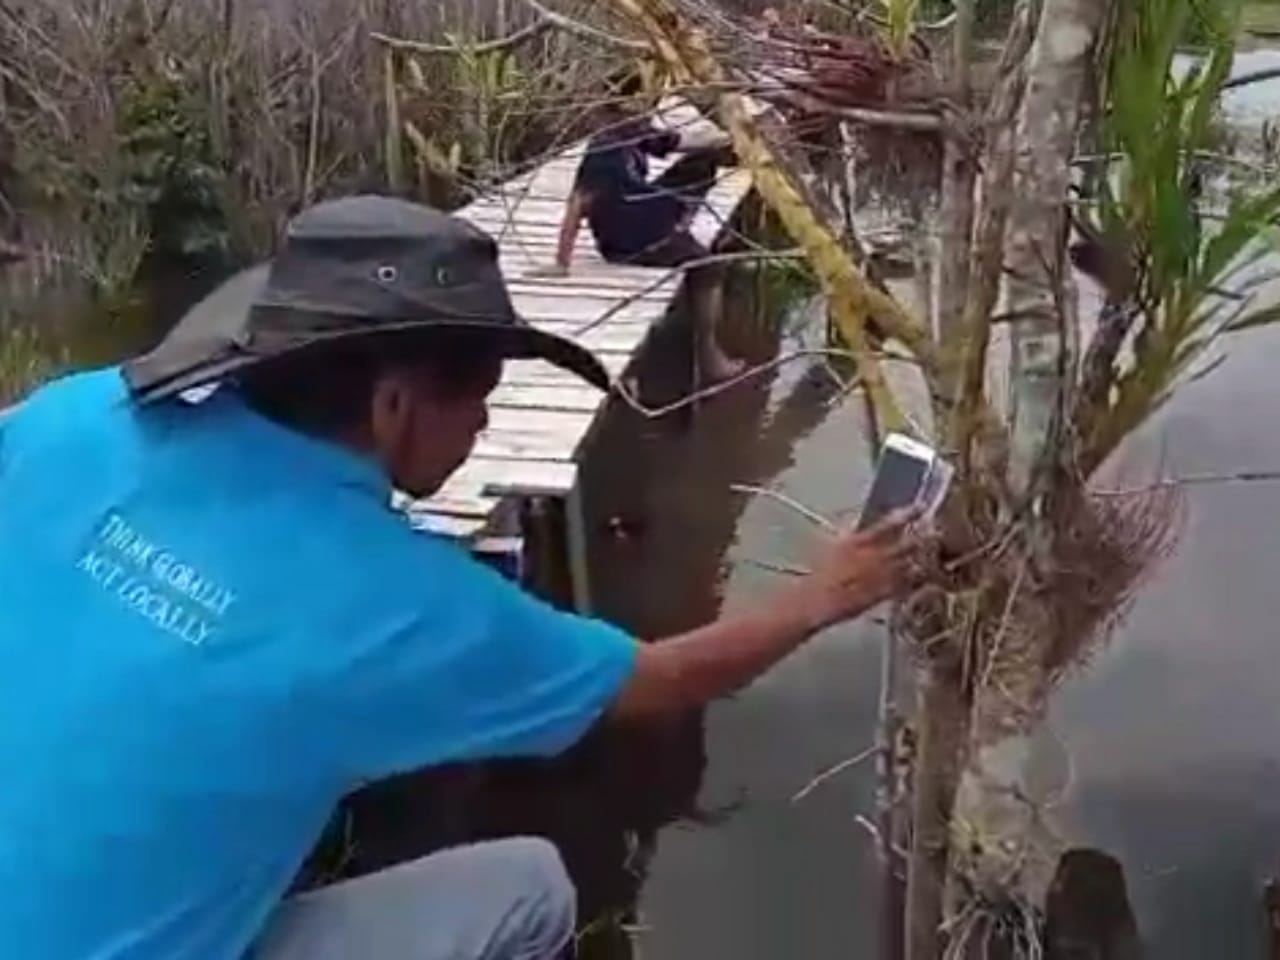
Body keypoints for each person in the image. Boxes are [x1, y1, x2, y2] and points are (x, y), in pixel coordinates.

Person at [0, 195, 921, 960]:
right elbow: (657, 682)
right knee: (532, 886)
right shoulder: (395, 604)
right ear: (393, 403)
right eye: (477, 399)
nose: (484, 425)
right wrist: (823, 596)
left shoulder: (74, 415)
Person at [536, 74, 745, 383]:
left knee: (702, 160)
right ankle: (709, 356)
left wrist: (732, 138)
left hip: (644, 214)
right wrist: (560, 263)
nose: (651, 110)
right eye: (645, 103)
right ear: (625, 106)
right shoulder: (605, 149)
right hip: (631, 243)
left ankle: (678, 226)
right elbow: (577, 203)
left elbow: (675, 142)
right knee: (709, 266)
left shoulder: (632, 132)